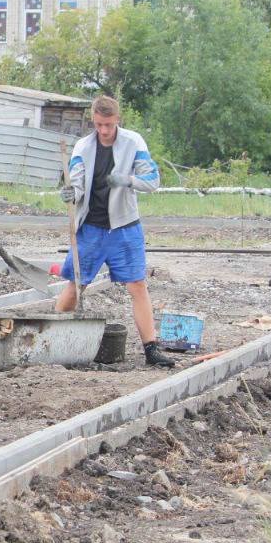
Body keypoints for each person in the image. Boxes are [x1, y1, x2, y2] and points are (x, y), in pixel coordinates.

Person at [58, 95, 175, 368]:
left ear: (117, 121)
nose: (104, 130)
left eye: (108, 125)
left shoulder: (133, 143)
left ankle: (151, 349)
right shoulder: (82, 147)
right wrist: (70, 193)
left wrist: (127, 180)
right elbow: (76, 182)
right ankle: (53, 338)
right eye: (99, 124)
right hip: (91, 229)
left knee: (137, 285)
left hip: (124, 227)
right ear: (93, 121)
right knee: (75, 287)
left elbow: (152, 180)